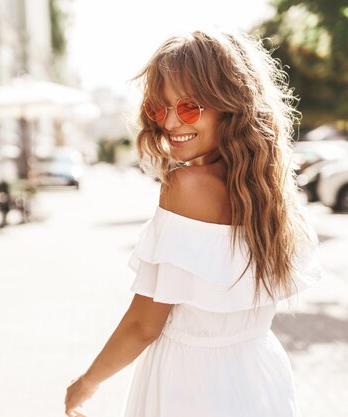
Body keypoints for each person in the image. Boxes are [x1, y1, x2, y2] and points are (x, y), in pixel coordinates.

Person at [64, 29, 322, 417]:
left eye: (189, 107)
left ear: (230, 104)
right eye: (159, 107)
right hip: (258, 372)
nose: (169, 122)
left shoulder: (187, 186)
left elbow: (143, 325)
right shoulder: (269, 187)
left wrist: (85, 383)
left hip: (193, 384)